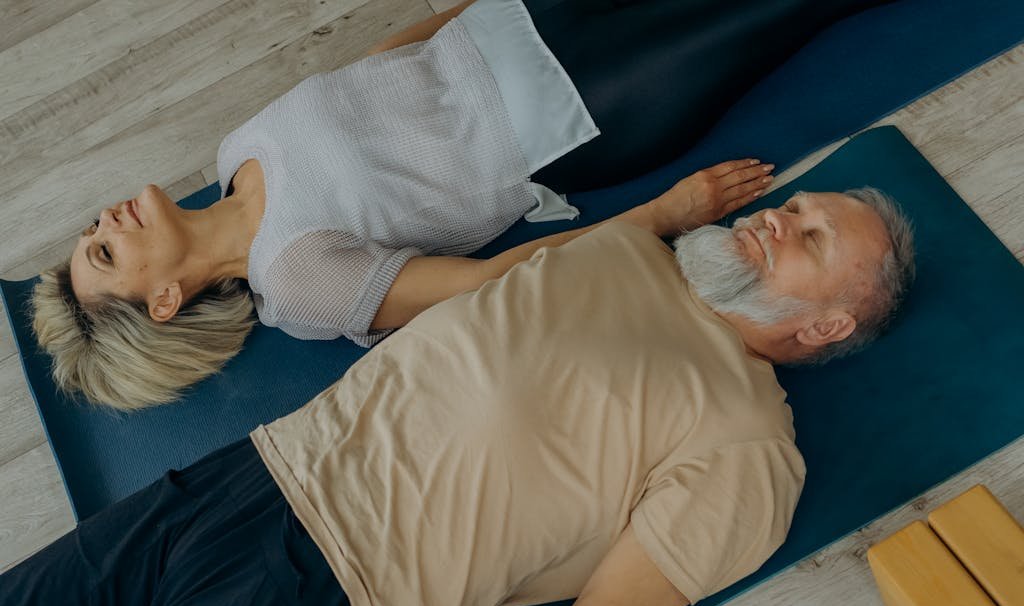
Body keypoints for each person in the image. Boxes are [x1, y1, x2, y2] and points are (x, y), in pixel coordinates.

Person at [1, 188, 915, 606]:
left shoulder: (752, 446)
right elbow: (535, 265)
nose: (777, 215)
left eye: (810, 236)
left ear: (825, 325)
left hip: (342, 599)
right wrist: (671, 209)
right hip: (254, 473)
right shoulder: (632, 248)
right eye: (797, 202)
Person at [29, 0, 889, 410]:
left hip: (527, 24)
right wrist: (664, 212)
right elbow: (497, 280)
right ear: (166, 301)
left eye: (89, 233)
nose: (104, 222)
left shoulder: (235, 151)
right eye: (104, 253)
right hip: (588, 108)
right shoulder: (297, 284)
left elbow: (376, 62)